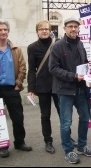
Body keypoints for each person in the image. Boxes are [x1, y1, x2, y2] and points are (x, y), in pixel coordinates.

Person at [0, 19, 32, 158]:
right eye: (0, 30)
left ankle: (20, 142)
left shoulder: (15, 49)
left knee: (18, 117)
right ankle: (3, 147)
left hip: (12, 89)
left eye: (5, 29)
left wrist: (18, 83)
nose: (3, 32)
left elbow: (23, 67)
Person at [48, 17, 91, 164]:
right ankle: (68, 150)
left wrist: (88, 72)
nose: (73, 29)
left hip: (81, 89)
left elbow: (84, 63)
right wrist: (73, 76)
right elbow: (53, 68)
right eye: (70, 26)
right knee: (66, 123)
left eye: (75, 27)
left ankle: (82, 145)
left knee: (85, 118)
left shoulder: (80, 44)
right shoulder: (57, 46)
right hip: (65, 91)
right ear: (65, 28)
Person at [27, 20, 60, 154]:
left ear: (50, 30)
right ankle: (48, 141)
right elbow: (31, 70)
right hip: (42, 86)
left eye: (47, 29)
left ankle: (67, 137)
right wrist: (31, 89)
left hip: (58, 85)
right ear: (37, 31)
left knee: (63, 114)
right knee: (45, 115)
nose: (44, 31)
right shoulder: (32, 47)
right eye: (41, 29)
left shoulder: (58, 44)